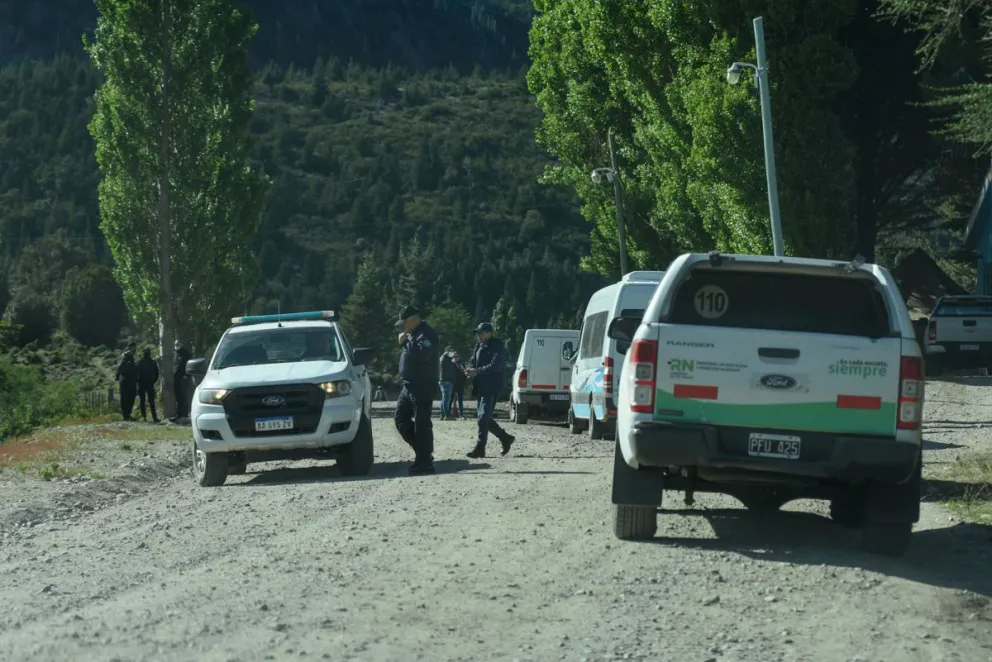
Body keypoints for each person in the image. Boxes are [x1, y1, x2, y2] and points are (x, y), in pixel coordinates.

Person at [393, 305, 440, 475]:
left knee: (422, 424)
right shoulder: (412, 334)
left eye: (405, 322)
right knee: (400, 419)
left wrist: (405, 342)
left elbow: (422, 355)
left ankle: (425, 462)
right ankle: (423, 453)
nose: (403, 326)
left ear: (413, 319)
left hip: (423, 385)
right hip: (408, 385)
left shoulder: (427, 334)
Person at [465, 322, 515, 458]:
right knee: (484, 418)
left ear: (489, 333)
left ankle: (480, 448)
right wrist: (469, 369)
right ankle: (505, 438)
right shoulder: (478, 346)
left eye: (481, 333)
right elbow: (473, 361)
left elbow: (496, 366)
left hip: (492, 387)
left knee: (483, 418)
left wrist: (477, 372)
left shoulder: (497, 346)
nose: (478, 336)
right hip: (480, 387)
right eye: (478, 333)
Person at [114, 342, 139, 422]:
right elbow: (121, 366)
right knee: (128, 397)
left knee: (127, 397)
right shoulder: (127, 355)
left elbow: (119, 367)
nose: (135, 350)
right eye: (134, 348)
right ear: (132, 347)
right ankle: (126, 415)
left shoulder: (125, 355)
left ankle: (127, 415)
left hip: (126, 378)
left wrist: (117, 375)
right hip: (127, 378)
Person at [136, 348, 161, 423]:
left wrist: (138, 381)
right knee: (148, 401)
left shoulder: (141, 362)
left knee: (146, 401)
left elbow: (156, 373)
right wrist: (153, 381)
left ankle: (148, 418)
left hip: (144, 383)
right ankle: (152, 418)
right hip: (146, 383)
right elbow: (157, 373)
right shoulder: (151, 362)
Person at [438, 345, 460, 421]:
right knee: (446, 399)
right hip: (446, 380)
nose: (453, 351)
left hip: (444, 380)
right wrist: (455, 354)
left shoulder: (444, 357)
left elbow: (455, 360)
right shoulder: (446, 354)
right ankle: (447, 415)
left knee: (444, 399)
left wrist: (456, 358)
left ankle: (442, 414)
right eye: (451, 350)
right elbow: (453, 356)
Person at [172, 339, 192, 421]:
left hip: (183, 378)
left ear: (182, 344)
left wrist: (186, 375)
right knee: (178, 397)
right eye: (176, 344)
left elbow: (188, 366)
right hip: (176, 377)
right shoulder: (176, 353)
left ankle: (184, 415)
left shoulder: (186, 355)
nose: (177, 346)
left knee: (183, 396)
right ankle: (178, 415)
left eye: (178, 344)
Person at [451, 350, 466, 419]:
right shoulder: (451, 364)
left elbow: (465, 373)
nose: (455, 357)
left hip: (460, 384)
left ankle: (461, 414)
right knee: (450, 399)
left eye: (457, 356)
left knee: (460, 400)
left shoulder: (462, 364)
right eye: (454, 356)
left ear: (459, 357)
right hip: (453, 384)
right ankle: (447, 414)